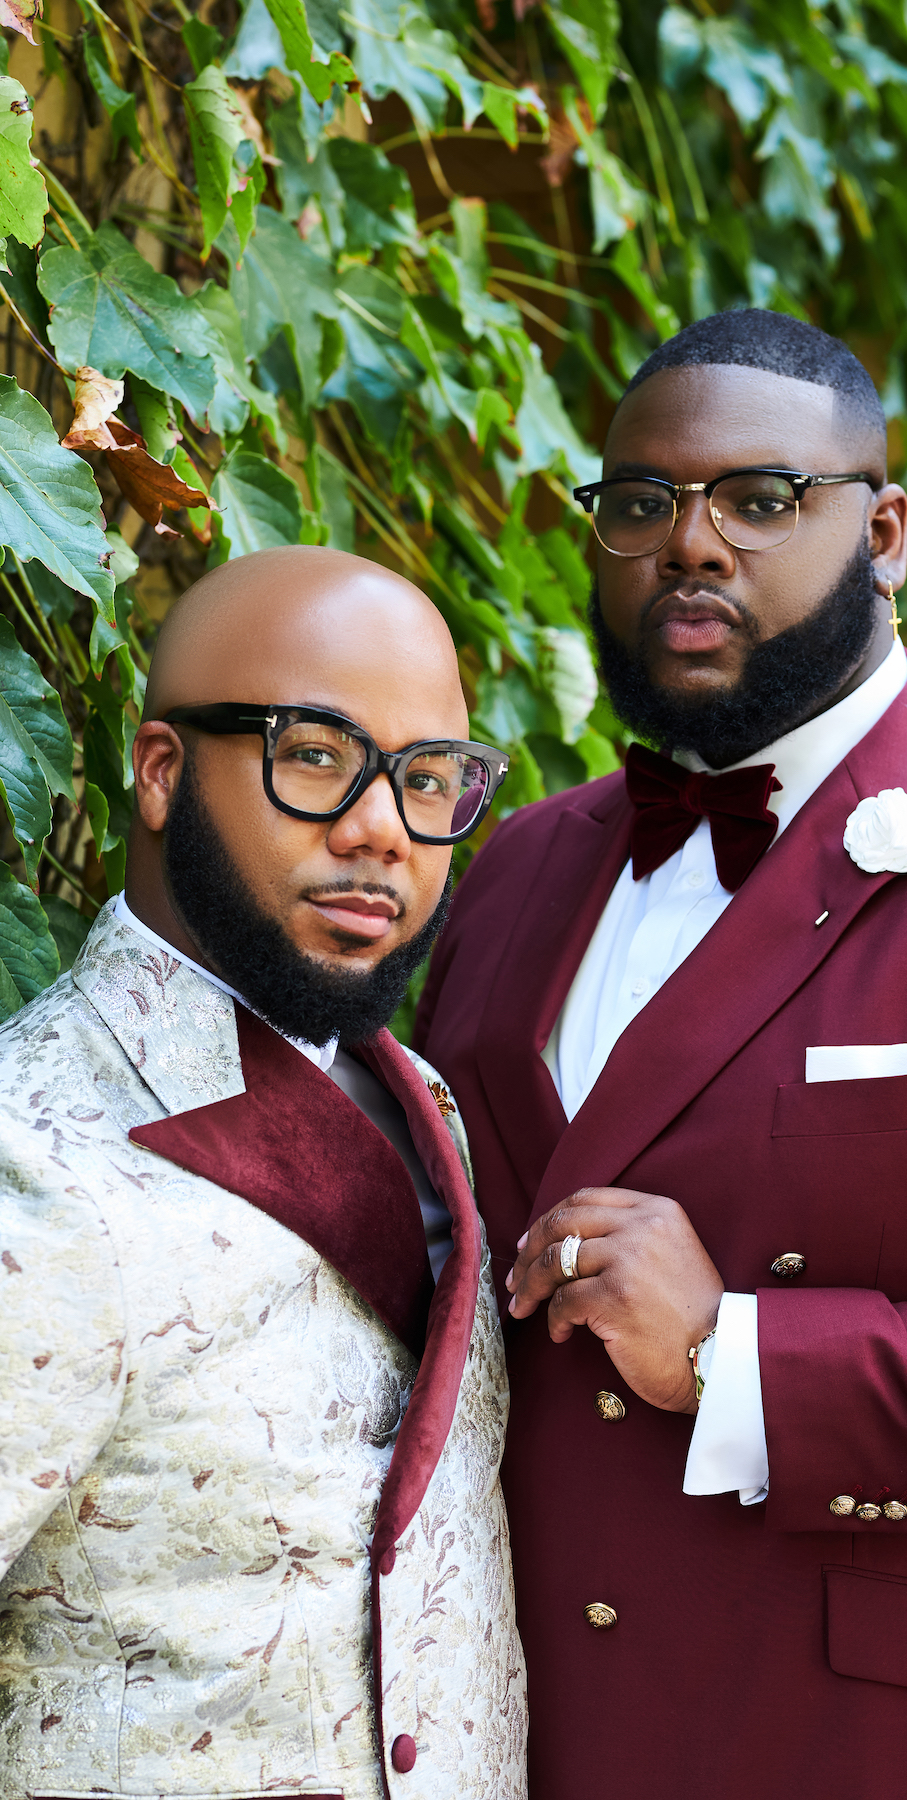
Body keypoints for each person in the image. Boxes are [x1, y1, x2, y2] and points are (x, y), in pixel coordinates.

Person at [414, 310, 907, 1798]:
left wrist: (740, 1362)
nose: (688, 544)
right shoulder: (510, 874)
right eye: (640, 501)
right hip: (555, 1744)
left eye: (762, 499)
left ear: (884, 534)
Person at [0, 547, 526, 1800]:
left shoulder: (427, 1101)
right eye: (317, 757)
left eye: (427, 779)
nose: (382, 829)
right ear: (162, 772)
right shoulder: (34, 1153)